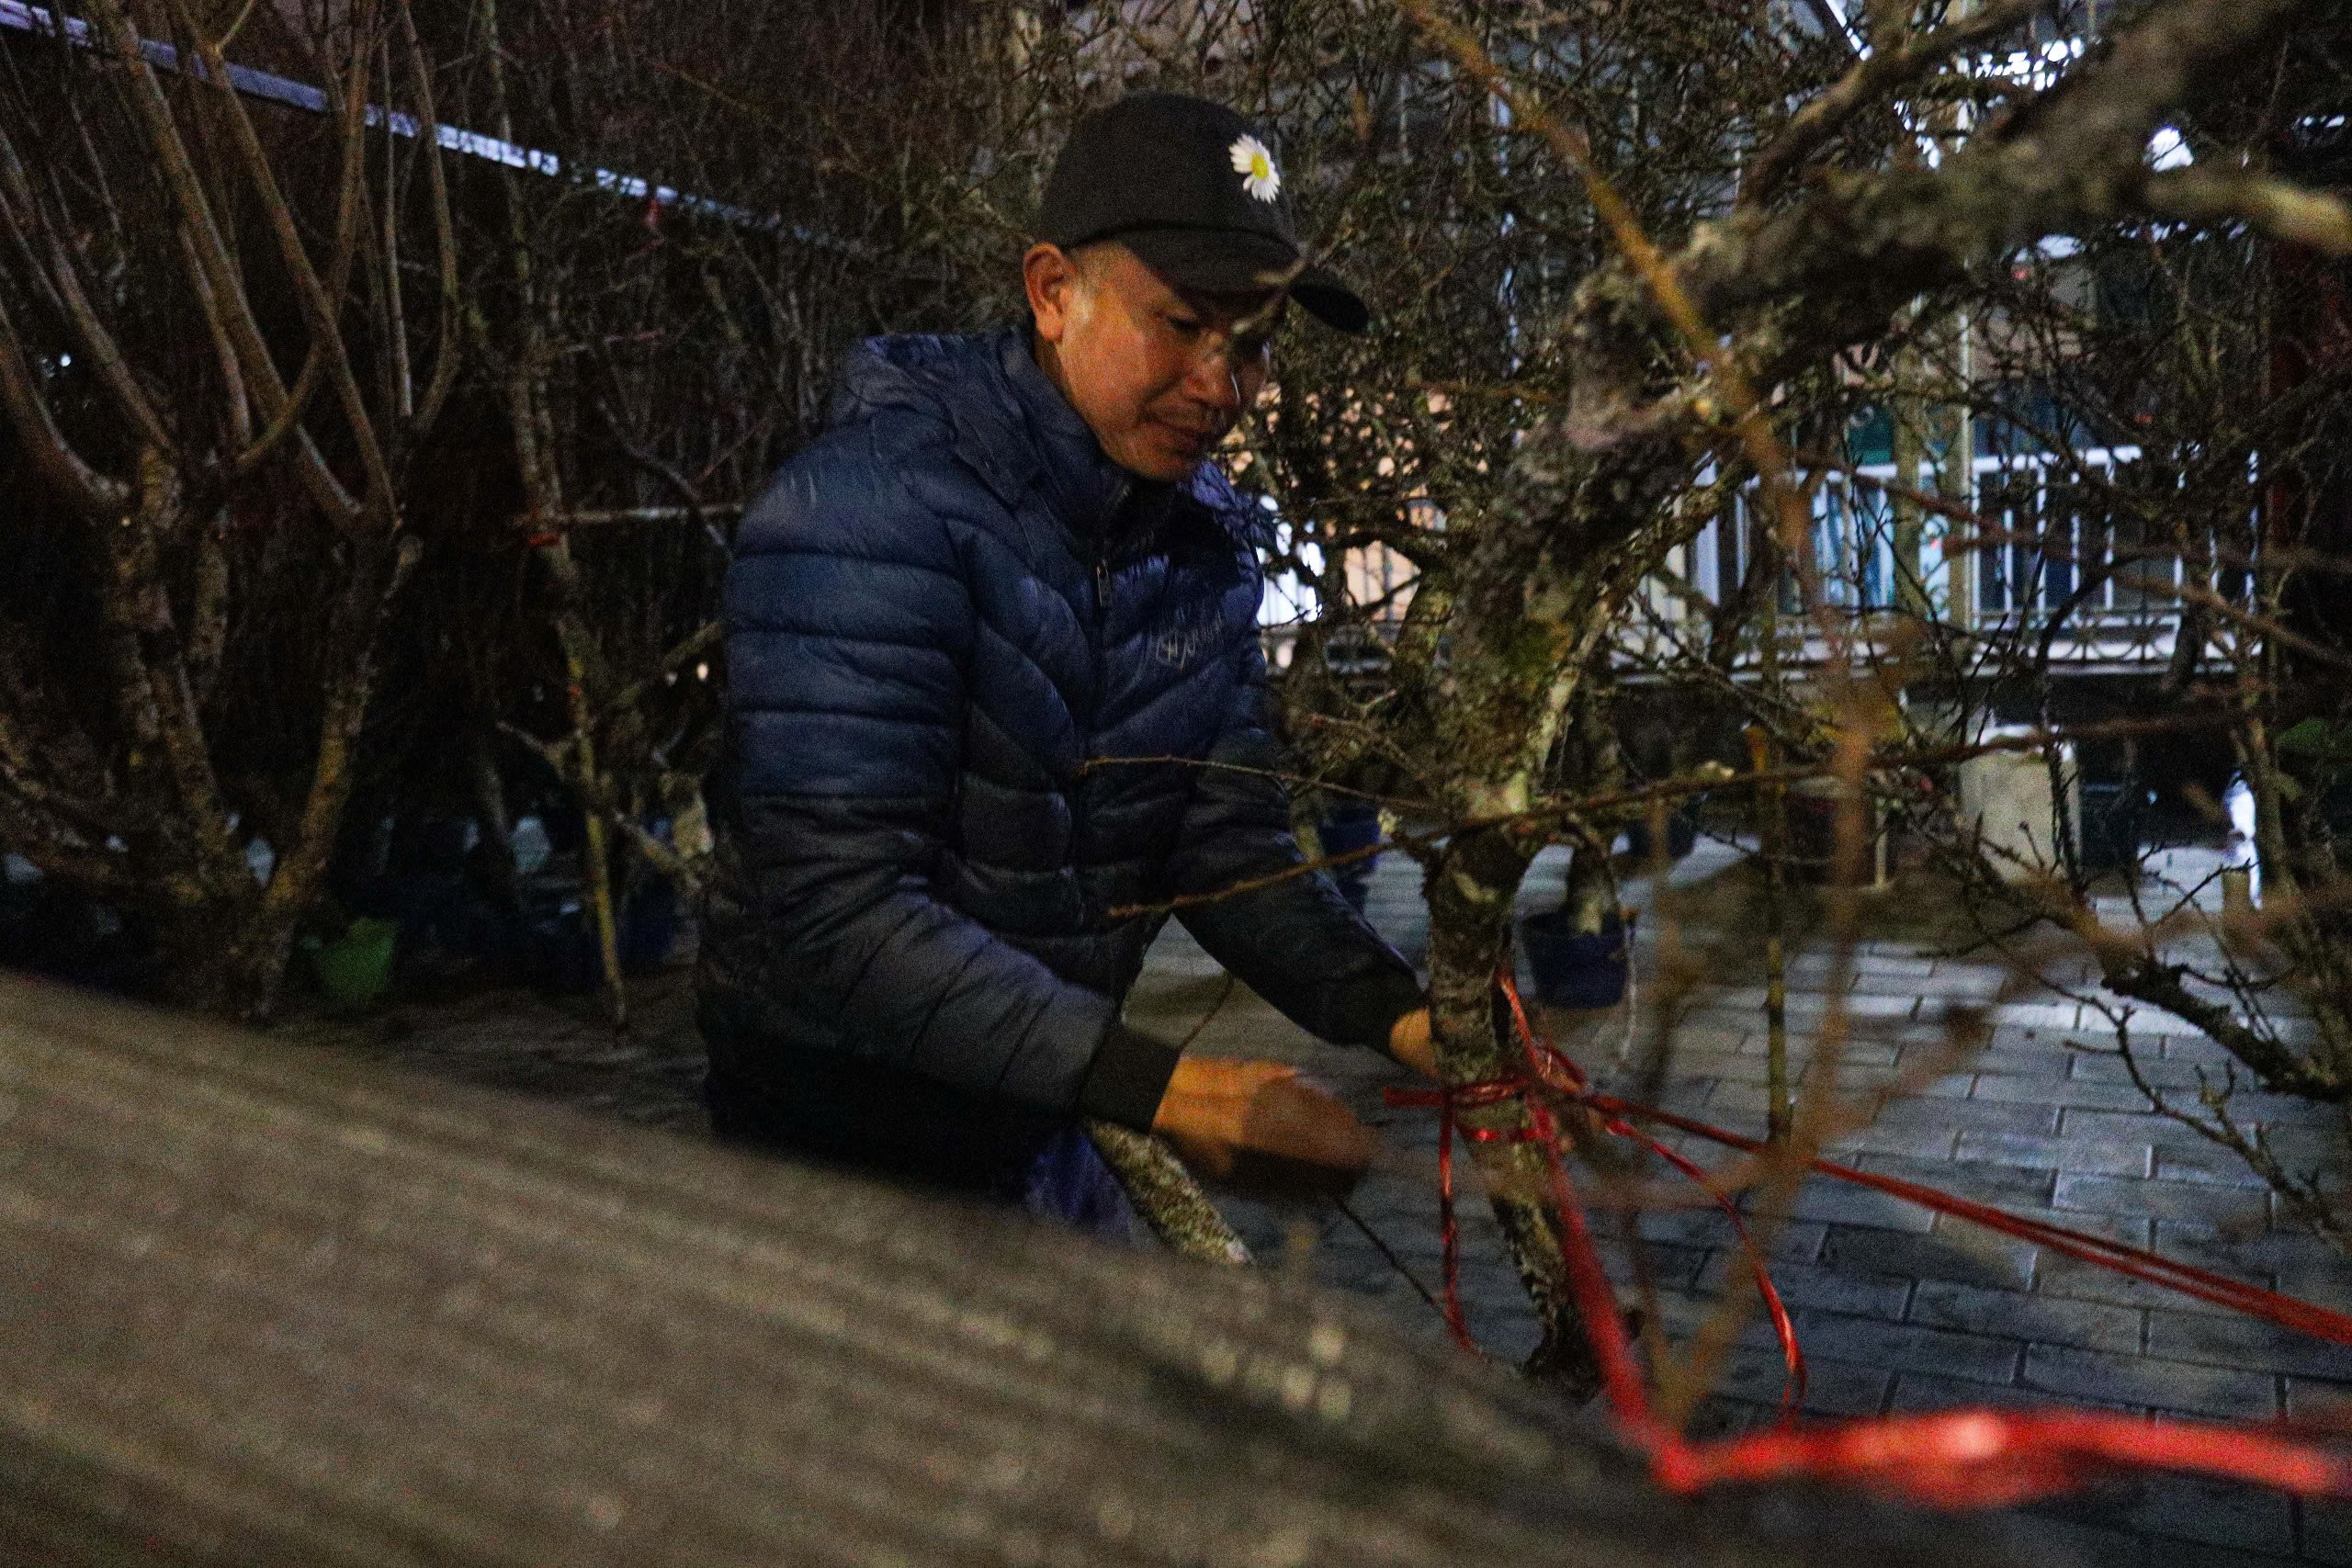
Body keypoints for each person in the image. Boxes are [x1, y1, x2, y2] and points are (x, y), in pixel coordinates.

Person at [695, 92, 1434, 1232]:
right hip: (842, 1140)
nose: (1222, 388)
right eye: (1183, 326)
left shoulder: (1194, 535)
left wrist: (1404, 1014)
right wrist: (1172, 1091)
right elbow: (838, 909)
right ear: (1052, 292)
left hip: (1042, 1095)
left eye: (1254, 345)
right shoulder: (867, 511)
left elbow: (1219, 838)